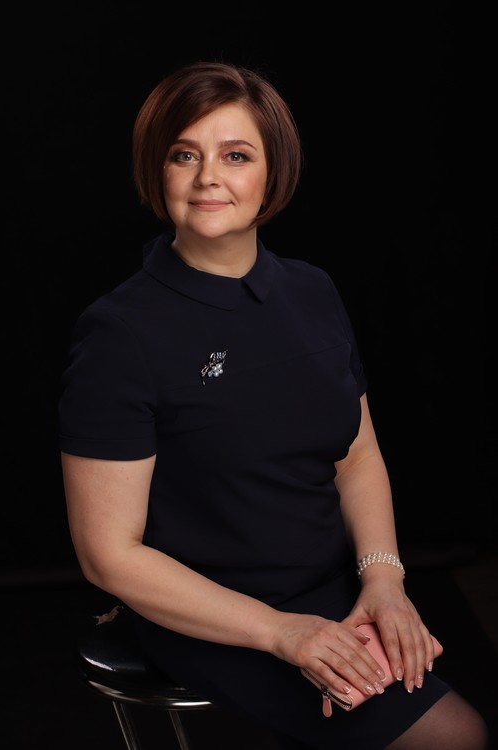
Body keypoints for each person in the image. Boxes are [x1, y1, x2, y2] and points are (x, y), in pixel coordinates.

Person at [58, 61, 489, 750]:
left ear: (273, 172)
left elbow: (357, 456)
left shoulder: (313, 291)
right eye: (183, 155)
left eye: (236, 155)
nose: (208, 177)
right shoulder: (121, 333)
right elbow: (108, 555)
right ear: (157, 171)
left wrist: (383, 581)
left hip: (336, 587)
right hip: (213, 614)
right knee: (455, 736)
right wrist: (282, 633)